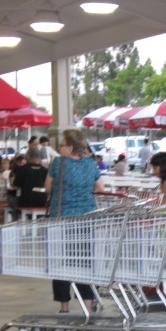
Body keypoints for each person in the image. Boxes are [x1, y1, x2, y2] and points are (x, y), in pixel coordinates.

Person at [44, 129, 105, 313]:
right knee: (83, 260)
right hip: (86, 219)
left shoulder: (59, 163)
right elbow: (100, 187)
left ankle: (64, 307)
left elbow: (47, 188)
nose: (59, 147)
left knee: (61, 261)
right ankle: (87, 305)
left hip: (62, 218)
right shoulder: (90, 163)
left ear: (70, 148)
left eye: (62, 144)